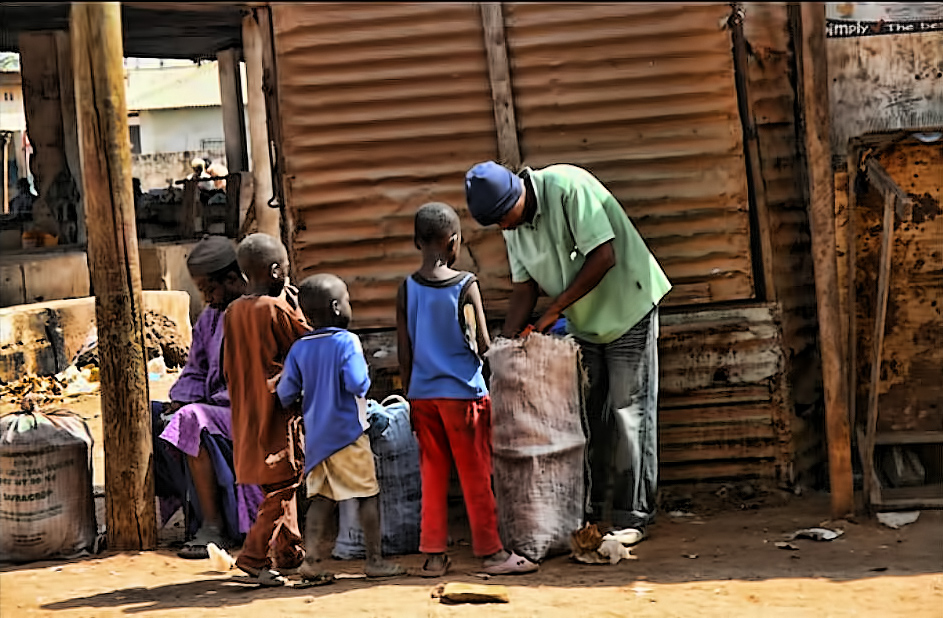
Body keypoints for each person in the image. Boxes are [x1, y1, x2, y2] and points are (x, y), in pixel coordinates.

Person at [465, 161, 672, 545]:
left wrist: (555, 309)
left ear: (517, 193)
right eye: (495, 223)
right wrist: (504, 346)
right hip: (584, 322)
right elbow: (524, 288)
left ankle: (633, 516)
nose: (502, 227)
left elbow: (604, 256)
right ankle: (589, 510)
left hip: (628, 307)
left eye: (502, 218)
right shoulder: (514, 226)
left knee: (630, 414)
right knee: (585, 417)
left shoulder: (568, 186)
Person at [396, 202, 538, 576]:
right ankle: (491, 553)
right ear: (454, 242)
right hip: (463, 397)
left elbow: (404, 349)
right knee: (475, 475)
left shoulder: (406, 289)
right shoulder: (464, 285)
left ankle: (433, 557)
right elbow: (479, 342)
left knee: (433, 475)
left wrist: (412, 395)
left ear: (416, 241)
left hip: (423, 397)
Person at [277, 274, 405, 585]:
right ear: (336, 307)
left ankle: (312, 561)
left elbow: (285, 394)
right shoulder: (348, 341)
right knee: (367, 495)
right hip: (349, 434)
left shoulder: (299, 348)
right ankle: (374, 561)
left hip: (317, 438)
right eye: (347, 300)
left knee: (321, 498)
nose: (350, 305)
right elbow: (357, 383)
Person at [153, 235, 264, 559]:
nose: (206, 297)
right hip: (217, 408)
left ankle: (212, 525)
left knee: (191, 420)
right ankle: (170, 515)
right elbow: (196, 369)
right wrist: (181, 398)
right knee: (148, 415)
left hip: (251, 414)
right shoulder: (211, 317)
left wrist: (196, 407)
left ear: (234, 279)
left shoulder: (261, 311)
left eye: (209, 290)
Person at [223, 233, 310, 586]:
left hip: (245, 410)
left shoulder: (233, 311)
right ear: (277, 272)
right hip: (275, 411)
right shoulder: (276, 309)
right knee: (286, 483)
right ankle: (254, 557)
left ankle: (288, 551)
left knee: (274, 485)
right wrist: (297, 305)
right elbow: (307, 343)